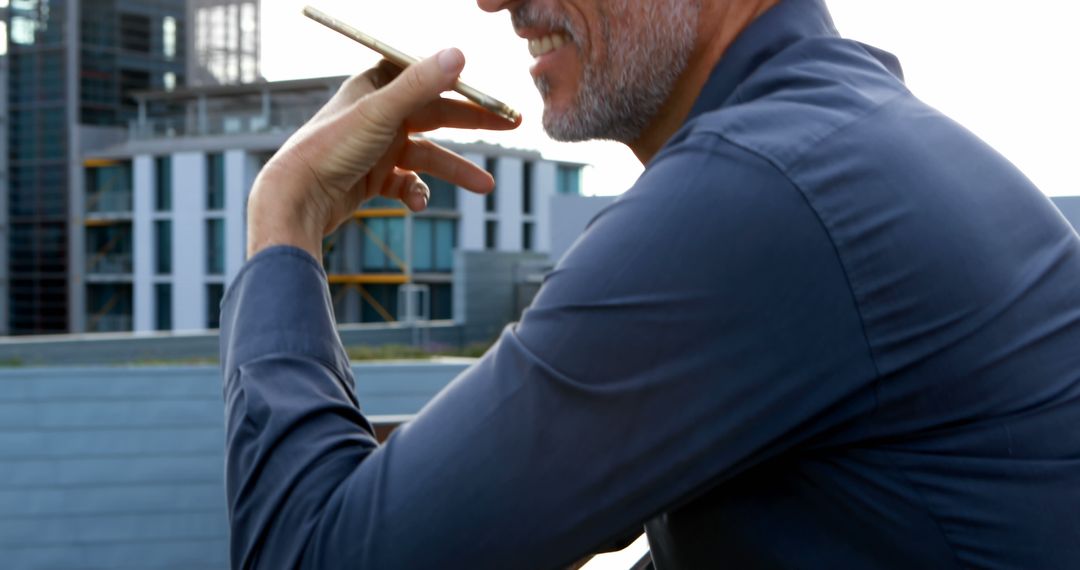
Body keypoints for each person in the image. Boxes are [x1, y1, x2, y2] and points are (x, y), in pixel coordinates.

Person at [221, 0, 1080, 567]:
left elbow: (310, 552)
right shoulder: (841, 140)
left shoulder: (759, 195)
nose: (492, 0)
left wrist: (285, 213)